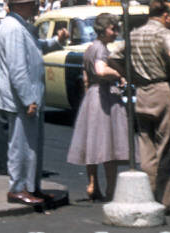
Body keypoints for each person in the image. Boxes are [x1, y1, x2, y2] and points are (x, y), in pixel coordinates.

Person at [108, 0, 170, 216]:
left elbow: (113, 57)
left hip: (143, 93)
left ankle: (150, 195)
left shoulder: (134, 34)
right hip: (167, 92)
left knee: (147, 149)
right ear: (165, 16)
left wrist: (130, 76)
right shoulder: (165, 34)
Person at [0, 0, 67, 206]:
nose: (36, 5)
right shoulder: (13, 28)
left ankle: (33, 187)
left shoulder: (20, 26)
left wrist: (55, 42)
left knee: (32, 146)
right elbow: (17, 69)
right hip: (21, 100)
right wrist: (27, 100)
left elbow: (35, 48)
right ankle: (18, 188)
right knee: (21, 147)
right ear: (20, 5)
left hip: (29, 97)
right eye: (32, 2)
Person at [65, 13, 129, 202]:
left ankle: (93, 183)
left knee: (92, 143)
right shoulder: (101, 49)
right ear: (102, 30)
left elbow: (86, 77)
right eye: (113, 29)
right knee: (109, 145)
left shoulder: (90, 48)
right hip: (104, 95)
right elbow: (101, 70)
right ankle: (111, 189)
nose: (116, 32)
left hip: (91, 96)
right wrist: (118, 74)